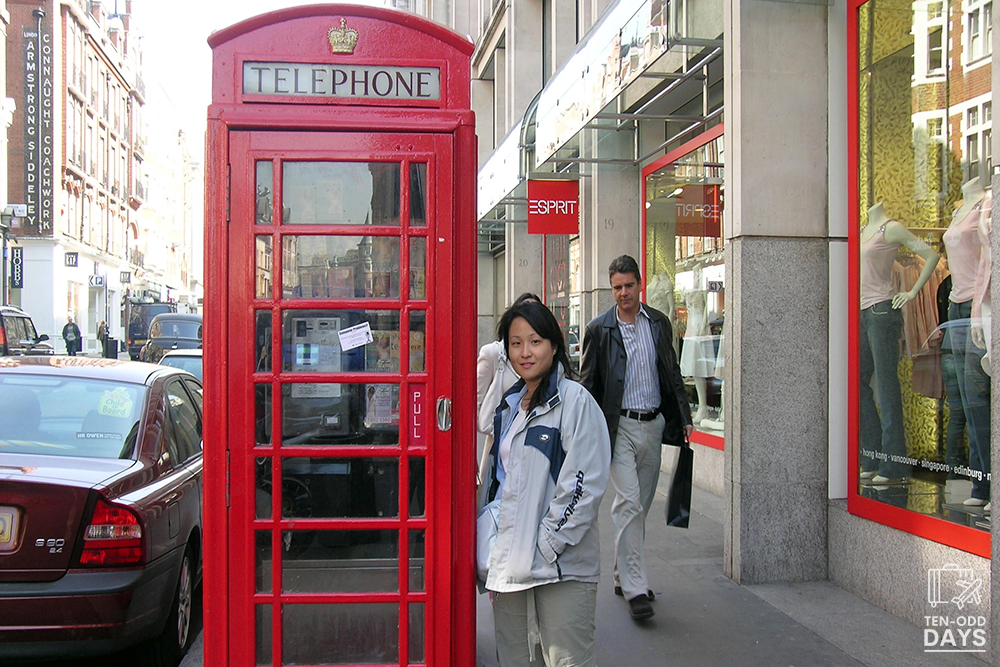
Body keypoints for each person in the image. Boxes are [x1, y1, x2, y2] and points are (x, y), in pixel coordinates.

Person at [479, 300, 610, 667]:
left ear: (554, 345)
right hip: (510, 562)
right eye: (516, 343)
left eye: (535, 341)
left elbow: (584, 483)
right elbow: (497, 484)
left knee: (566, 660)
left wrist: (548, 544)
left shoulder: (575, 402)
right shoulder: (508, 405)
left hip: (562, 565)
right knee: (516, 658)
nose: (525, 352)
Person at [579, 254, 693, 621]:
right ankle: (635, 588)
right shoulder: (600, 330)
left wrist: (684, 419)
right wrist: (585, 432)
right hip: (620, 427)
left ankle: (621, 572)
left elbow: (672, 374)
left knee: (638, 509)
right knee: (627, 502)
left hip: (654, 426)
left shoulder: (658, 323)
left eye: (628, 285)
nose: (622, 293)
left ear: (639, 284)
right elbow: (589, 385)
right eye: (616, 287)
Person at [859, 202, 939, 484]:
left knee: (887, 385)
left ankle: (891, 464)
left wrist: (913, 291)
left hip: (882, 311)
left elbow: (930, 255)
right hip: (860, 314)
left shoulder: (890, 229)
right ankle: (871, 455)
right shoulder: (860, 230)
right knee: (859, 385)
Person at [476, 292, 541, 486]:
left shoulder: (545, 358)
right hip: (499, 446)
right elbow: (474, 403)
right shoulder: (494, 354)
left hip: (535, 447)